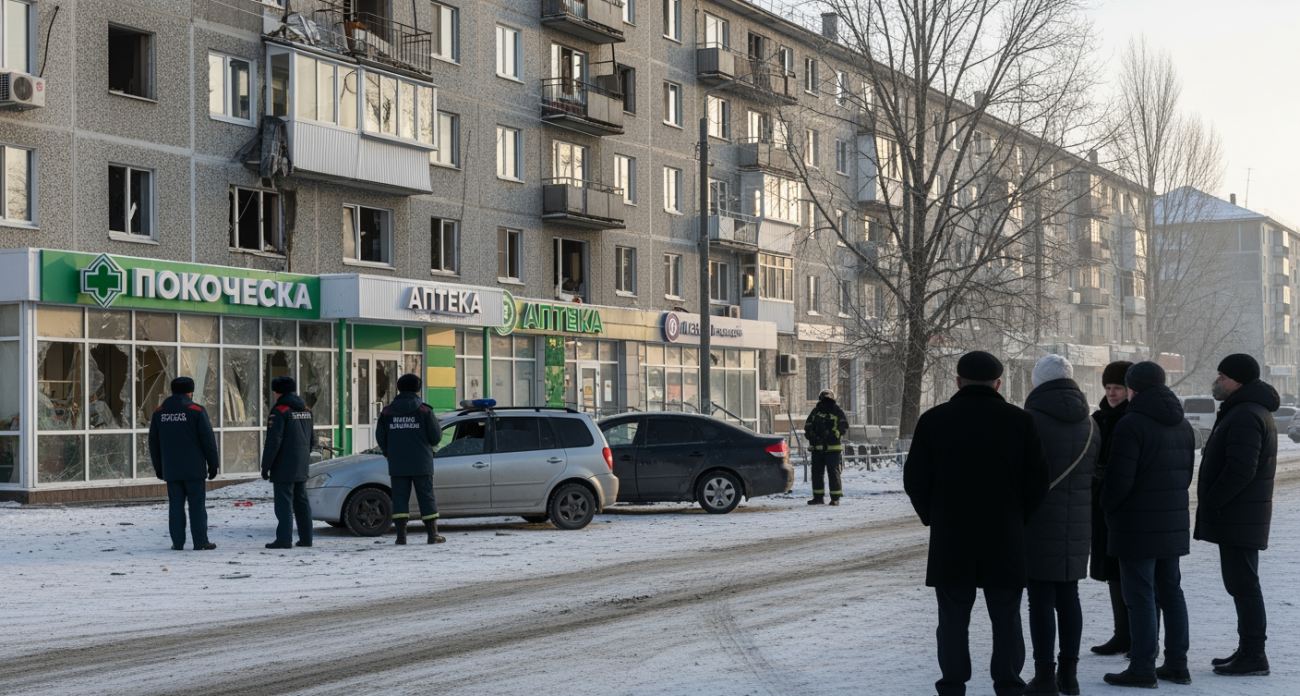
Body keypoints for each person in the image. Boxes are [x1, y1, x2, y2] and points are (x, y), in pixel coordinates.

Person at [904, 351, 1050, 696]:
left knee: (952, 619)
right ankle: (1009, 684)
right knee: (1007, 618)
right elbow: (1038, 481)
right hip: (1004, 535)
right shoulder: (1020, 421)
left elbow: (915, 478)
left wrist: (933, 516)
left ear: (958, 382)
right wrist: (1018, 517)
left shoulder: (934, 420)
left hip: (952, 536)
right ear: (998, 383)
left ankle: (953, 685)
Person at [1101, 361, 1195, 687]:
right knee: (1171, 592)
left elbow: (1118, 481)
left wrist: (1106, 506)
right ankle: (1177, 665)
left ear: (1132, 388)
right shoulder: (1182, 423)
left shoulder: (1132, 423)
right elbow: (1186, 476)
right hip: (1172, 522)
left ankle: (1142, 667)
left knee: (1140, 596)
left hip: (1135, 525)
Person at [1195, 354, 1277, 677]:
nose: (1217, 381)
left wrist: (1213, 500)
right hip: (1240, 515)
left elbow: (1241, 469)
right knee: (1241, 584)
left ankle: (1254, 654)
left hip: (1238, 515)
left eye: (1223, 376)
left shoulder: (1245, 414)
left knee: (1244, 585)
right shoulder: (1245, 409)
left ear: (1238, 381)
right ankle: (1248, 648)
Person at [1021, 355, 1098, 696]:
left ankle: (1044, 677)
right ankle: (1069, 675)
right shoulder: (1091, 424)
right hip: (1078, 523)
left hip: (1037, 521)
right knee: (1069, 596)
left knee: (1040, 599)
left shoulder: (1029, 421)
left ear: (1037, 382)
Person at [1089, 360, 1133, 656]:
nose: (1112, 393)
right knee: (1113, 573)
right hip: (1102, 504)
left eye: (1118, 387)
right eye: (1108, 387)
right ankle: (1122, 633)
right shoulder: (1098, 418)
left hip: (1124, 506)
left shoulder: (1132, 419)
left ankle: (1138, 636)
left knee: (1131, 575)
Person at [148, 376, 220, 551]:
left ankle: (178, 542)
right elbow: (208, 440)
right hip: (194, 469)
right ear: (191, 392)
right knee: (197, 506)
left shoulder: (159, 413)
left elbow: (153, 443)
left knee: (175, 506)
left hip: (171, 469)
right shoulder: (196, 410)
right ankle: (200, 541)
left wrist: (159, 467)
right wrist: (213, 464)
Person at [376, 374, 445, 545]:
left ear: (399, 388)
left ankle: (401, 537)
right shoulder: (424, 410)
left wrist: (388, 452)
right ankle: (432, 535)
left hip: (397, 463)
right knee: (426, 497)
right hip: (422, 462)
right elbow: (436, 437)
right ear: (417, 388)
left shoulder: (387, 411)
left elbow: (380, 436)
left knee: (399, 498)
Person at [261, 376, 314, 550]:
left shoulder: (280, 410)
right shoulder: (306, 409)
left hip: (284, 465)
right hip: (301, 463)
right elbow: (311, 439)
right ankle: (306, 538)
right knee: (301, 502)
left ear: (277, 392)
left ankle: (284, 539)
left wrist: (266, 466)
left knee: (283, 504)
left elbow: (273, 441)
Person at [804, 389, 850, 505]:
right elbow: (808, 426)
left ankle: (835, 498)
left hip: (832, 449)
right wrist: (812, 436)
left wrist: (833, 434)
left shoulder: (836, 411)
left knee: (833, 473)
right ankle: (818, 497)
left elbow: (844, 425)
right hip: (817, 449)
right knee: (817, 474)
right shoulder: (816, 411)